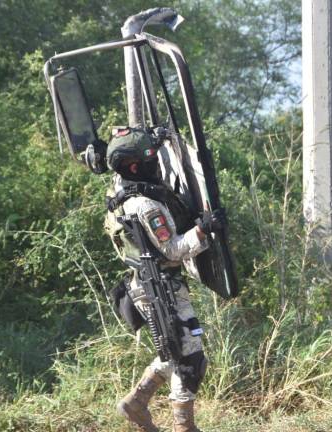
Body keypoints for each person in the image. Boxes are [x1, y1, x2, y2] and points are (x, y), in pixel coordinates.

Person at [102, 127, 224, 432]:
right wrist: (203, 229)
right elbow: (172, 248)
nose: (156, 164)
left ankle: (135, 403)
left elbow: (123, 154)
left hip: (140, 284)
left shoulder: (119, 190)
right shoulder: (146, 206)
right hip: (162, 290)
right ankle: (184, 427)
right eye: (150, 159)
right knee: (191, 361)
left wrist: (154, 138)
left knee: (172, 351)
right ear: (134, 167)